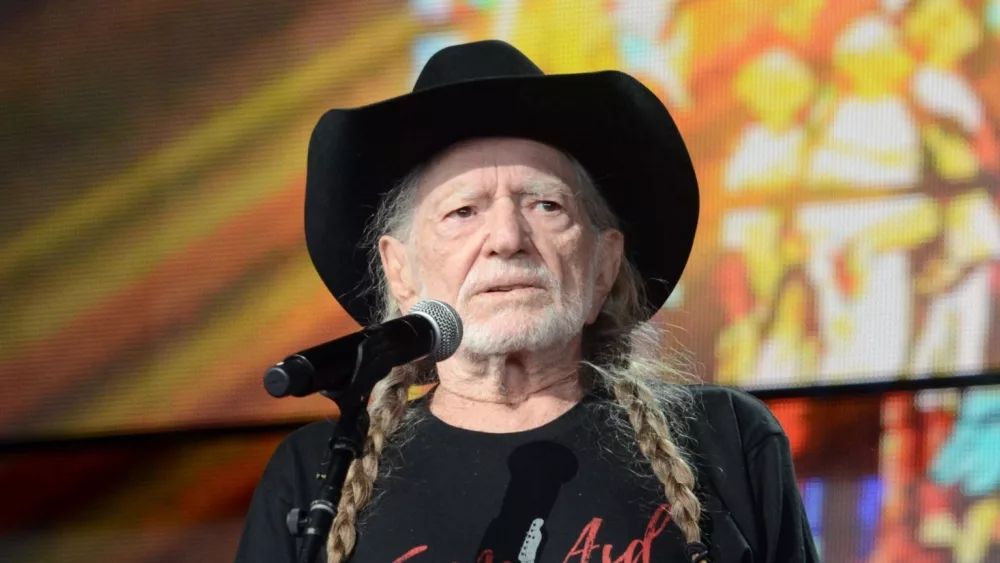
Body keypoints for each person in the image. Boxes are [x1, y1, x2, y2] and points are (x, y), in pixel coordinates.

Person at [235, 40, 819, 563]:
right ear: (401, 272)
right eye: (464, 212)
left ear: (603, 267)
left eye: (545, 206)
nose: (509, 239)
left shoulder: (725, 439)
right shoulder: (315, 474)